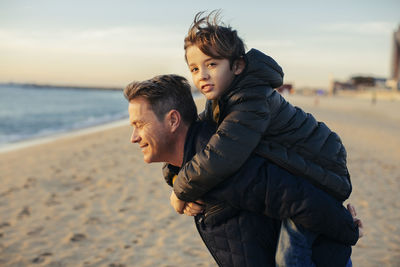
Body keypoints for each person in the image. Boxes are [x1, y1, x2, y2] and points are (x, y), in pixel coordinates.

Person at [164, 10, 355, 266]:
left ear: (238, 65)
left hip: (320, 171)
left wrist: (180, 190)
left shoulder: (251, 100)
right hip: (300, 171)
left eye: (212, 64)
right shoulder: (221, 101)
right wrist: (173, 173)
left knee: (291, 253)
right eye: (194, 68)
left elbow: (221, 155)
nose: (202, 75)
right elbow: (196, 139)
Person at [124, 74, 363, 267]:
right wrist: (178, 187)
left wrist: (348, 229)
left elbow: (297, 197)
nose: (133, 138)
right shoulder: (195, 163)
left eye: (139, 124)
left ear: (173, 120)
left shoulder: (221, 164)